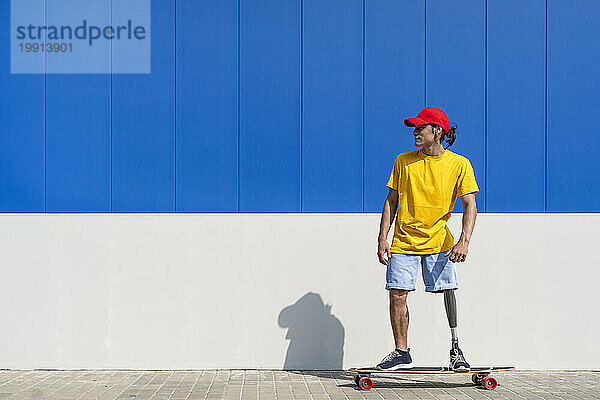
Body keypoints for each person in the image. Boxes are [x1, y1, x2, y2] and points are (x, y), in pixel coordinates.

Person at [376, 106, 478, 371]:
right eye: (414, 128)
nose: (415, 132)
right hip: (404, 241)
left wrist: (464, 241)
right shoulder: (403, 161)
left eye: (421, 128)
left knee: (448, 290)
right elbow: (391, 201)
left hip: (439, 241)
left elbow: (470, 205)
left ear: (438, 131)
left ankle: (456, 350)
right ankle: (401, 352)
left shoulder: (459, 164)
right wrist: (382, 238)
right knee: (397, 293)